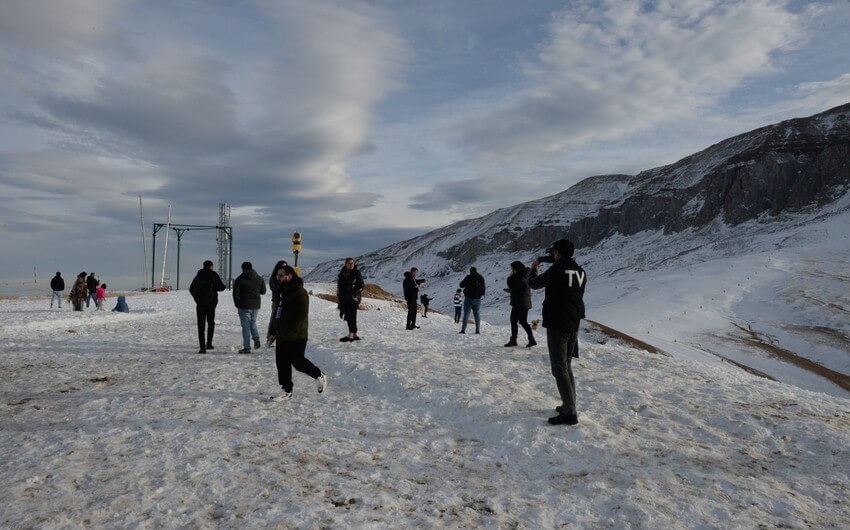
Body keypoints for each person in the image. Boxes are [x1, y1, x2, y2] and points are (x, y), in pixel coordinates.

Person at [528, 239, 587, 426]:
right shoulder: (580, 272)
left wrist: (533, 269)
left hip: (557, 323)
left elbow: (533, 284)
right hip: (573, 322)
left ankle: (570, 413)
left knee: (559, 368)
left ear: (558, 254)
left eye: (554, 252)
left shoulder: (556, 270)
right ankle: (569, 404)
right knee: (567, 365)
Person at [268, 265, 326, 401]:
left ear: (289, 276)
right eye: (277, 276)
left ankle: (319, 375)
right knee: (282, 363)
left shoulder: (300, 292)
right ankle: (287, 390)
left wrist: (289, 329)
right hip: (282, 334)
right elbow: (277, 312)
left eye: (281, 275)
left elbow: (301, 314)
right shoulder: (282, 291)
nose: (278, 278)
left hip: (296, 335)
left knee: (298, 362)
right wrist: (273, 331)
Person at [189, 260, 226, 354]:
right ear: (211, 266)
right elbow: (221, 287)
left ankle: (202, 348)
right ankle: (209, 344)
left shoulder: (198, 276)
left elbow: (191, 288)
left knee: (201, 325)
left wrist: (196, 299)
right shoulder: (213, 275)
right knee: (211, 323)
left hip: (200, 304)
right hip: (211, 303)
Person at [233, 261, 267, 354]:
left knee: (246, 327)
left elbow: (235, 294)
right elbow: (263, 291)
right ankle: (256, 339)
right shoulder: (259, 278)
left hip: (244, 306)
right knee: (253, 322)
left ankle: (247, 347)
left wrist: (237, 304)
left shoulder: (239, 279)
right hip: (256, 305)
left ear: (243, 269)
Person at [505, 261, 536, 347]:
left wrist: (509, 278)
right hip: (524, 303)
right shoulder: (523, 276)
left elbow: (513, 288)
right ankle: (531, 339)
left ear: (516, 269)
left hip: (519, 303)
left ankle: (513, 340)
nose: (512, 270)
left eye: (513, 269)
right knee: (523, 321)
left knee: (513, 320)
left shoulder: (519, 278)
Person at [337, 257, 364, 342]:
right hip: (344, 298)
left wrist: (354, 292)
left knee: (351, 316)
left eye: (352, 263)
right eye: (349, 263)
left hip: (353, 299)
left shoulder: (356, 272)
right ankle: (354, 333)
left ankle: (351, 334)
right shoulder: (342, 273)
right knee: (349, 316)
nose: (351, 265)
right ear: (346, 264)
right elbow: (340, 286)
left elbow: (361, 285)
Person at [266, 260, 288, 347]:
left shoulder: (286, 277)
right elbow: (273, 288)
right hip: (277, 302)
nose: (283, 269)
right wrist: (280, 283)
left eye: (285, 267)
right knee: (274, 320)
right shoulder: (274, 277)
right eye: (282, 267)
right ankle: (270, 338)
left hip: (285, 302)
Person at [459, 266, 485, 334]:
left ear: (470, 271)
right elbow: (483, 288)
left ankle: (463, 330)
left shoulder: (468, 277)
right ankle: (477, 330)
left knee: (466, 314)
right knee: (477, 314)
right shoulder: (481, 278)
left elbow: (461, 285)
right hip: (478, 299)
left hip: (468, 298)